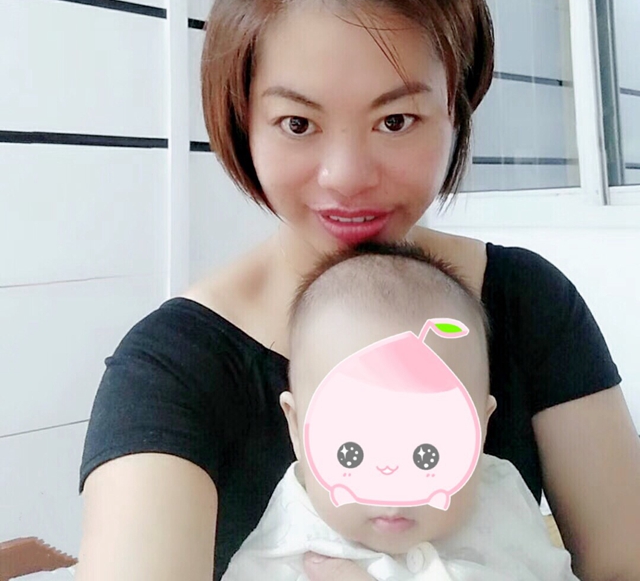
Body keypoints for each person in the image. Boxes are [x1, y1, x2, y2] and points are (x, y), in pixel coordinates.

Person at [76, 0, 640, 581]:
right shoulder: (172, 369)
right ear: (243, 120)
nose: (346, 177)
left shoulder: (529, 304)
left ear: (456, 108)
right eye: (298, 124)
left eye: (395, 120)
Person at [222, 239, 578, 581]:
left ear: (480, 428)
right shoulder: (287, 546)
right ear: (298, 428)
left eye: (426, 453)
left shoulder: (502, 498)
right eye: (352, 451)